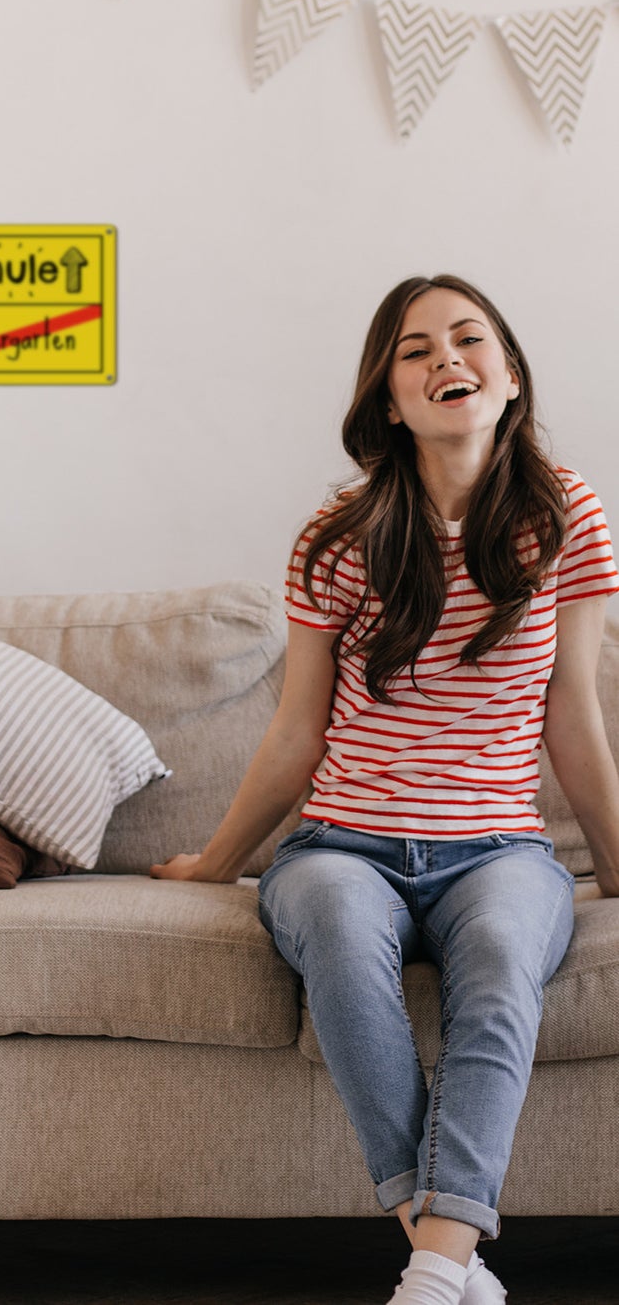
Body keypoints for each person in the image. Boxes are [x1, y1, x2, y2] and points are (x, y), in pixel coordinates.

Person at [150, 274, 619, 1305]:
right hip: (339, 844)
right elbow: (296, 730)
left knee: (500, 956)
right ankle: (447, 1257)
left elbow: (570, 712)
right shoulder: (338, 531)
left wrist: (618, 869)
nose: (444, 357)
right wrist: (217, 863)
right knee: (331, 929)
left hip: (497, 850)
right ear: (388, 398)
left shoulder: (565, 514)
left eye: (467, 338)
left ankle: (431, 1268)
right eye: (414, 349)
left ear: (506, 379)